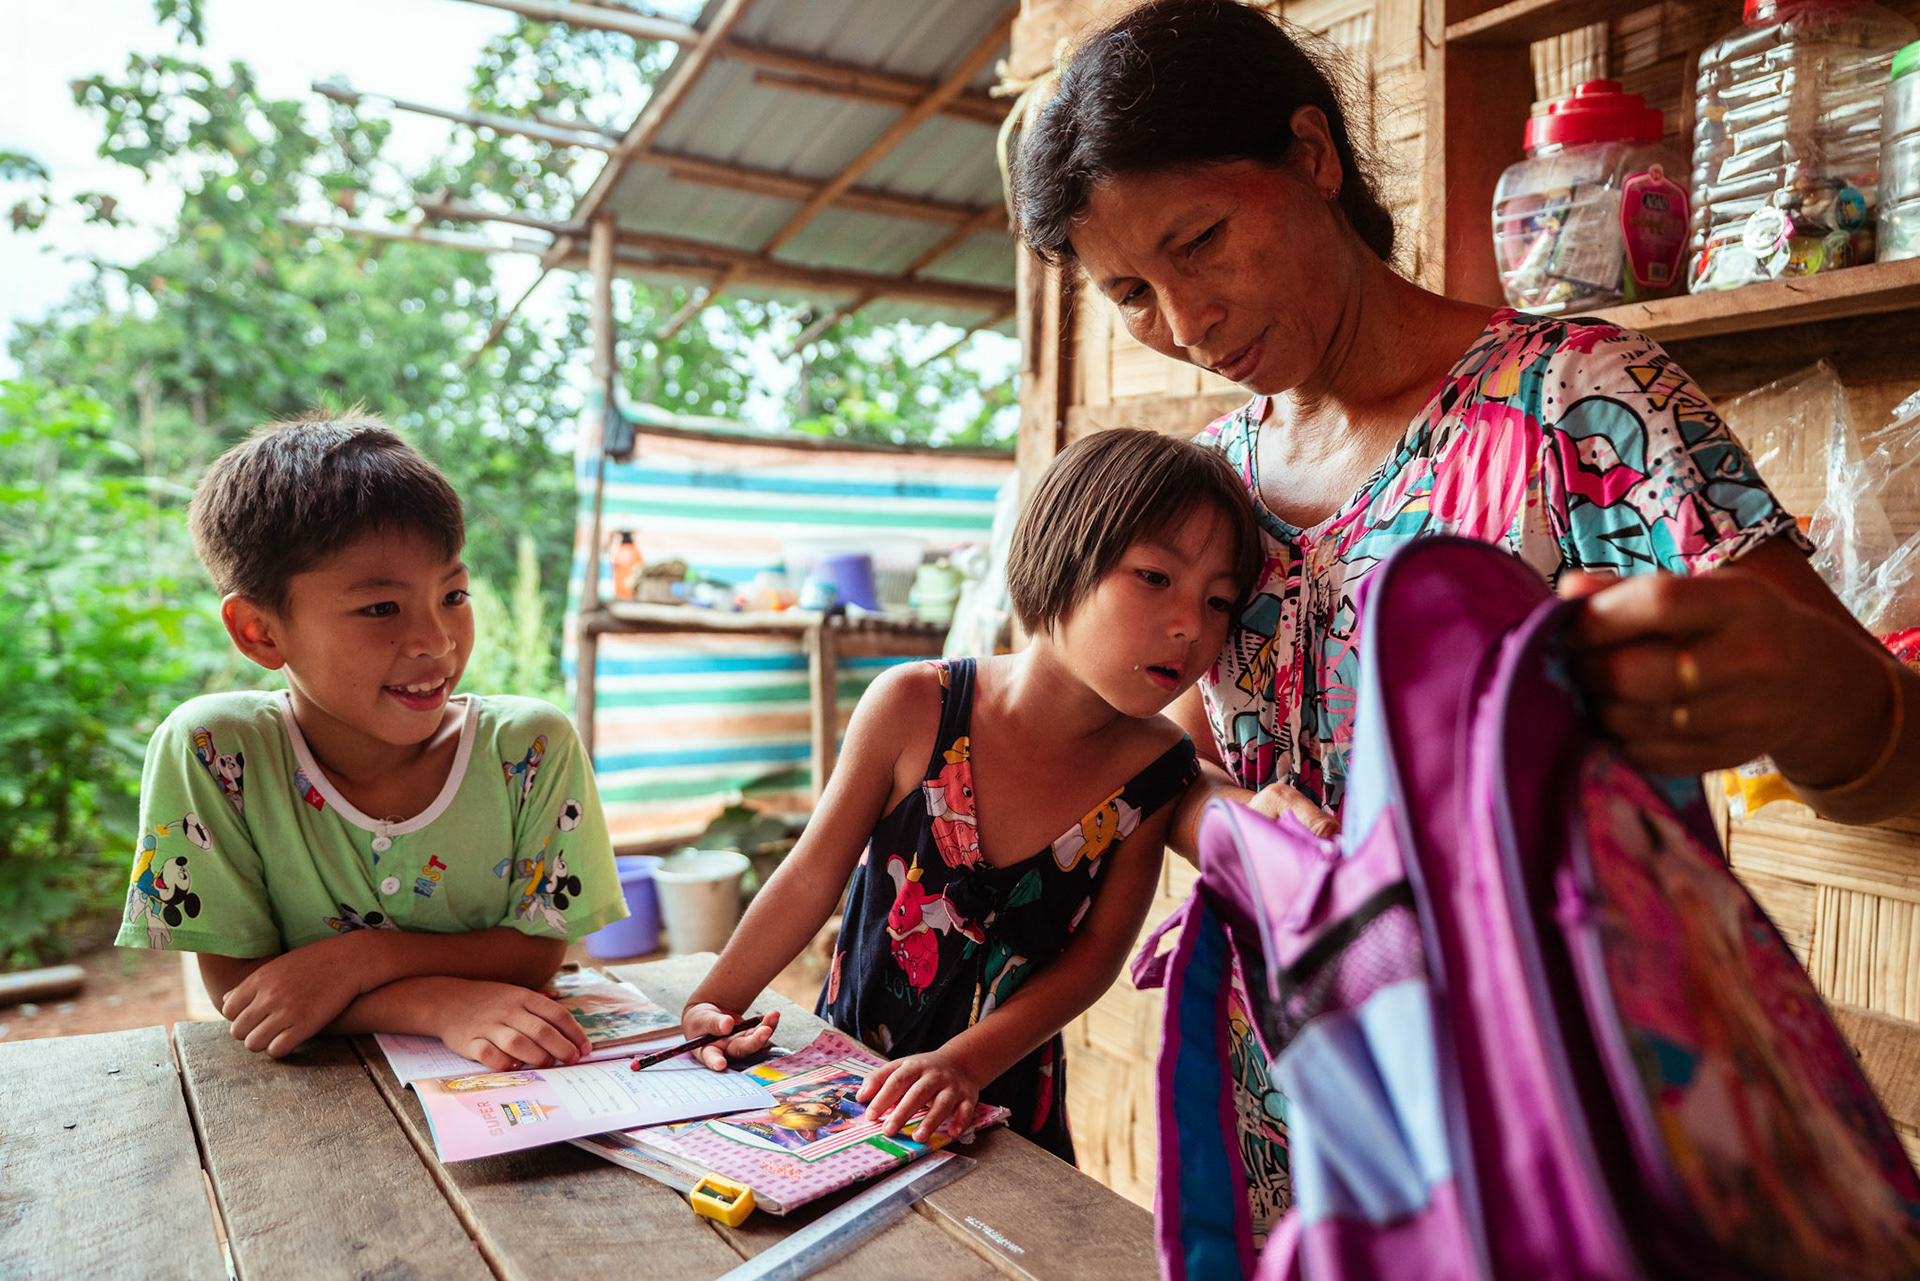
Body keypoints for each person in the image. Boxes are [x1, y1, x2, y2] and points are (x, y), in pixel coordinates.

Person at [1006, 0, 1920, 1230]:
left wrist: (1811, 692)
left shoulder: (1575, 405)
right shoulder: (1205, 489)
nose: (1185, 323)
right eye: (1129, 291)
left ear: (1313, 157)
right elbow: (1182, 769)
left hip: (1536, 1115)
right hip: (1297, 1101)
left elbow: (1890, 754)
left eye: (1202, 241)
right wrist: (1239, 827)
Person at [677, 428, 1262, 1162]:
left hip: (1003, 1118)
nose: (1191, 625)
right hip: (846, 1085)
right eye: (1155, 576)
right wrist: (716, 999)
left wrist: (966, 1064)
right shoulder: (915, 705)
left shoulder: (1156, 773)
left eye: (1219, 601)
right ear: (1063, 551)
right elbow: (810, 873)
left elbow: (1094, 959)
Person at [117, 415, 624, 1071]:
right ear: (260, 632)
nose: (437, 641)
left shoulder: (530, 747)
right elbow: (251, 997)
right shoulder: (215, 753)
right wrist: (439, 1003)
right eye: (381, 608)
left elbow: (535, 951)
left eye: (454, 594)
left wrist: (360, 958)